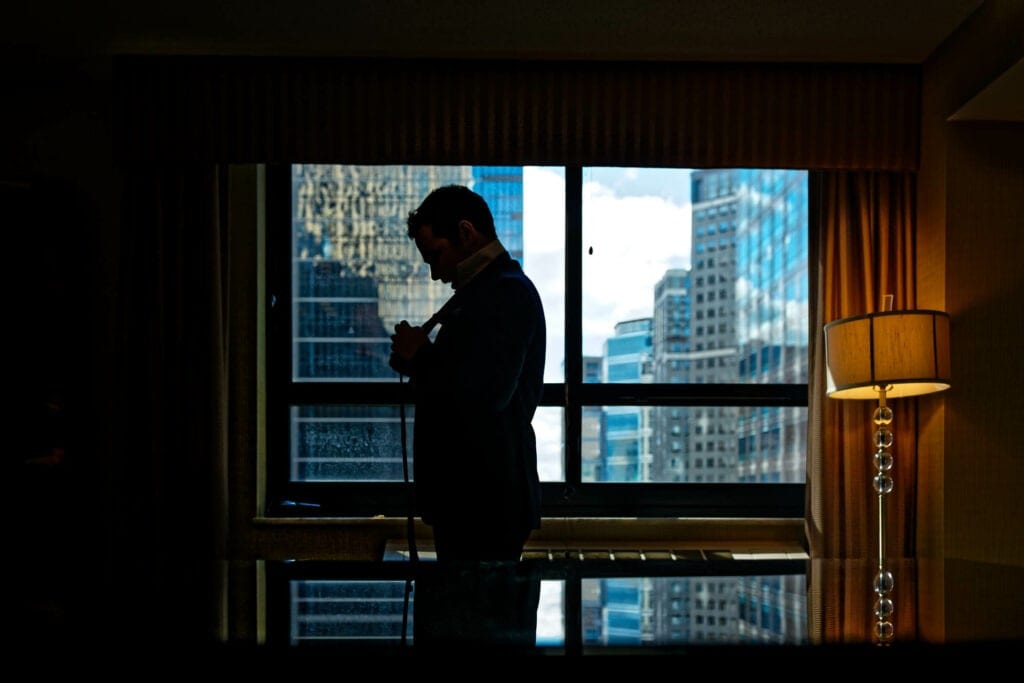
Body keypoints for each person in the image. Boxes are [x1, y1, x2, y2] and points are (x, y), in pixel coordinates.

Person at [389, 184, 546, 563]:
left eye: (436, 256)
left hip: (483, 503)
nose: (435, 274)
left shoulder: (504, 294)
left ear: (465, 233)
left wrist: (421, 358)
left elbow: (485, 394)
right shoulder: (496, 291)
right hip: (482, 501)